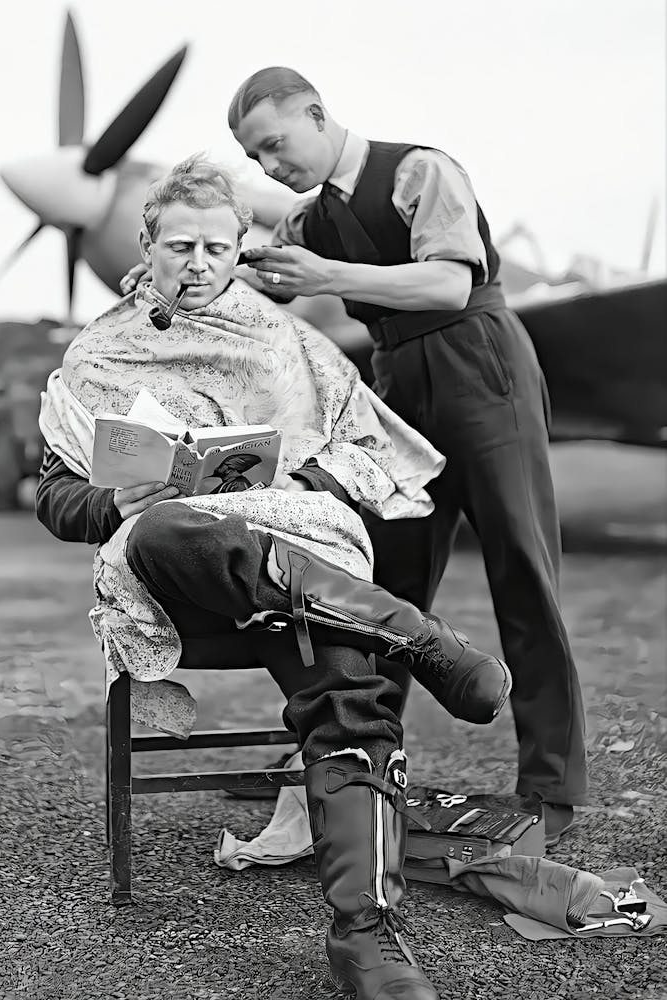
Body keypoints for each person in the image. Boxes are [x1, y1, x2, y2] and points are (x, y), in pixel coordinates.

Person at [37, 156, 513, 1000]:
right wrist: (114, 501)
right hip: (173, 577)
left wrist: (300, 483)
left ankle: (366, 936)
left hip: (296, 562)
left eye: (218, 247)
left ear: (240, 248)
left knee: (346, 680)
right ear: (146, 244)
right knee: (176, 526)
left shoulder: (288, 339)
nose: (199, 262)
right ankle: (411, 633)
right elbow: (56, 496)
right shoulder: (96, 351)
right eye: (180, 245)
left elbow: (371, 454)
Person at [224, 67, 587, 847]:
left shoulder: (421, 170)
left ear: (316, 116)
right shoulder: (309, 219)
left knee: (521, 570)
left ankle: (551, 787)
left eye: (276, 146)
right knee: (382, 591)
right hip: (393, 385)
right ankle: (356, 763)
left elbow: (450, 284)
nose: (271, 169)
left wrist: (331, 278)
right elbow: (260, 274)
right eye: (256, 160)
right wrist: (182, 268)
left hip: (478, 367)